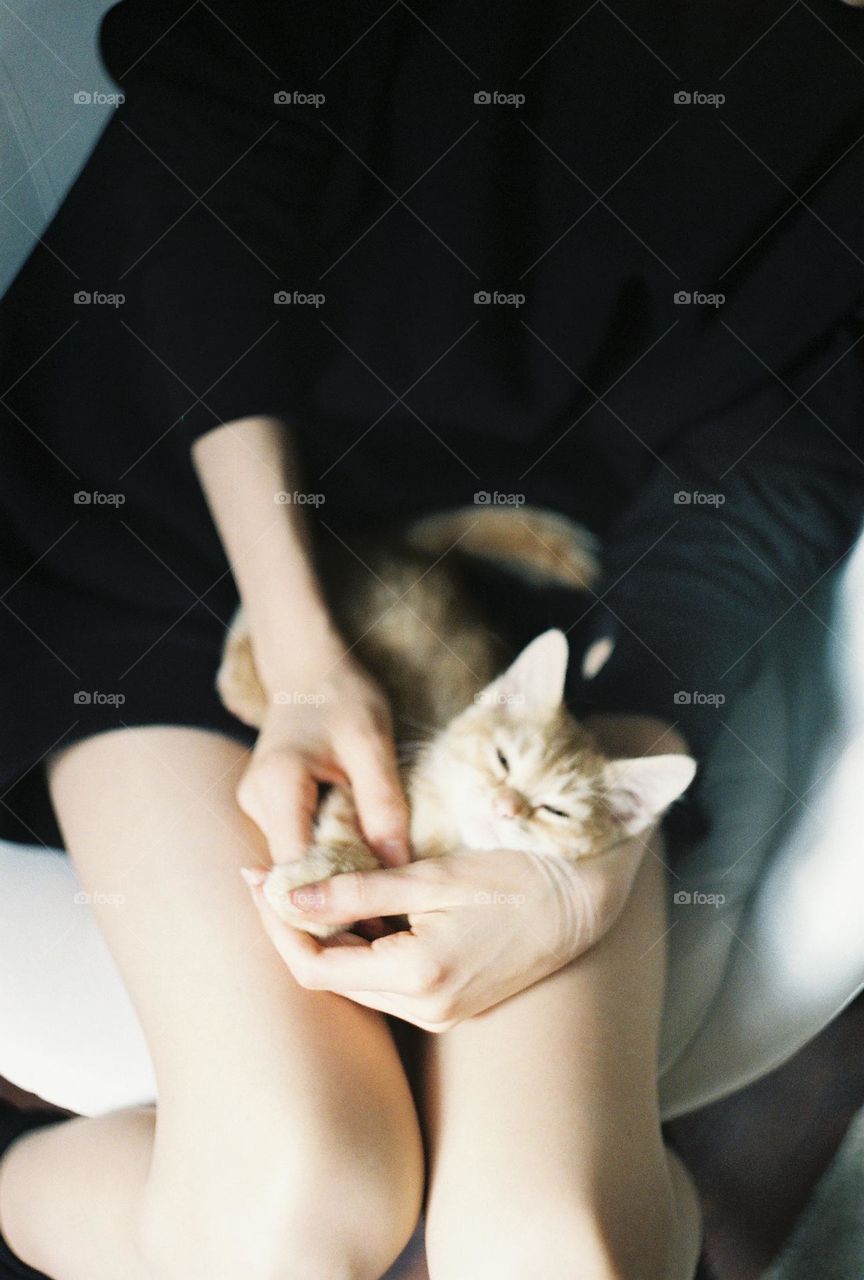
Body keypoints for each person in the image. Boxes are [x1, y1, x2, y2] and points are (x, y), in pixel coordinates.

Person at [1, 3, 863, 1278]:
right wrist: (301, 651)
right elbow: (193, 201)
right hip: (175, 512)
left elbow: (772, 470)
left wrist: (591, 845)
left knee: (555, 1245)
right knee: (302, 1192)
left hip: (548, 590)